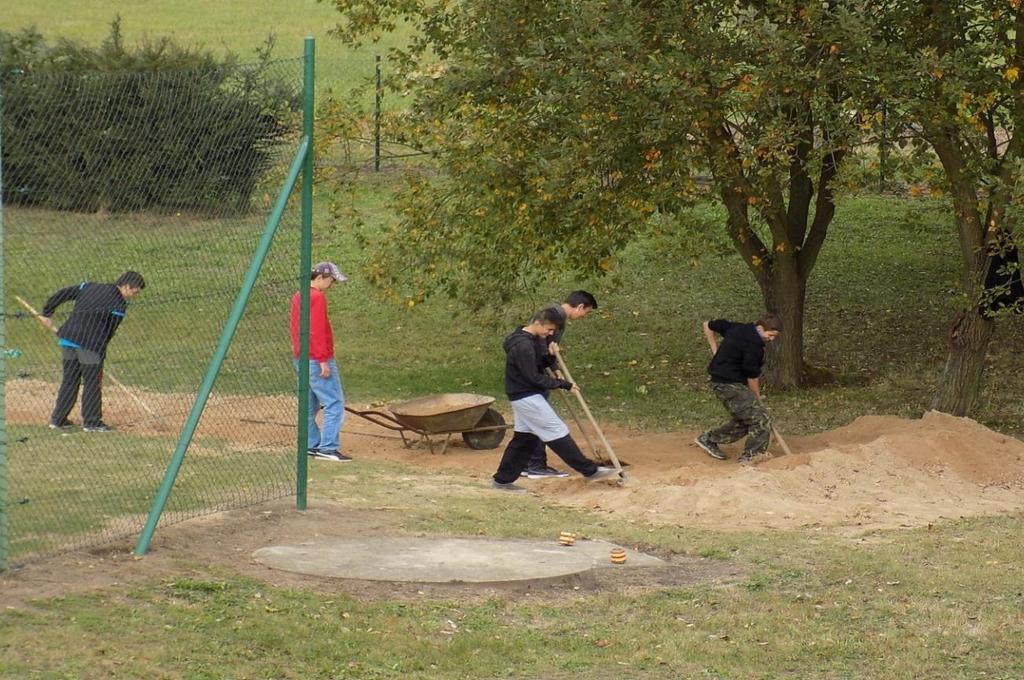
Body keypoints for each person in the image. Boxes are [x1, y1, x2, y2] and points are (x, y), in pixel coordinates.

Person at [491, 306, 619, 491]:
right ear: (537, 322)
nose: (550, 334)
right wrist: (563, 384)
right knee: (556, 430)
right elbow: (533, 377)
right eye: (549, 329)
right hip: (526, 395)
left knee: (525, 439)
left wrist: (550, 357)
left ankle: (502, 480)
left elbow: (539, 364)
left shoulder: (532, 339)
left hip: (524, 395)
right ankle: (590, 471)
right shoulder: (523, 345)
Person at [40, 270, 146, 432]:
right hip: (90, 346)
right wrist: (100, 356)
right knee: (92, 382)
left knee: (70, 380)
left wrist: (47, 312)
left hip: (68, 339)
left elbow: (64, 293)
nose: (134, 295)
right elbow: (108, 333)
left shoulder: (89, 286)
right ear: (126, 286)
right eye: (134, 292)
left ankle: (58, 420)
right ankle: (92, 422)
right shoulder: (119, 304)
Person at [522, 290, 599, 479]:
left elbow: (548, 346)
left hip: (536, 370)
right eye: (585, 312)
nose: (583, 317)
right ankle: (535, 464)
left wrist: (555, 368)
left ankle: (526, 463)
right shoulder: (554, 316)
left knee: (529, 420)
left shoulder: (557, 317)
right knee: (540, 418)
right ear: (580, 307)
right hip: (534, 373)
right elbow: (539, 340)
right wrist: (554, 374)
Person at [694, 314, 782, 464]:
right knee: (760, 418)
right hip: (726, 384)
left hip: (727, 381)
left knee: (747, 418)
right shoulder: (754, 347)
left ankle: (708, 439)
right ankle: (752, 456)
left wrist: (715, 352)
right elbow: (752, 377)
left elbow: (707, 325)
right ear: (761, 328)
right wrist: (757, 399)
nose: (771, 339)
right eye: (770, 335)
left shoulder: (738, 327)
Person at [291, 262, 351, 462]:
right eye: (331, 281)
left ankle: (312, 443)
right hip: (317, 358)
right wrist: (323, 360)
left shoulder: (299, 296)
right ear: (321, 277)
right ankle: (328, 448)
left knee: (308, 405)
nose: (331, 285)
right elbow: (315, 330)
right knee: (334, 403)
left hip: (302, 358)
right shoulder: (317, 297)